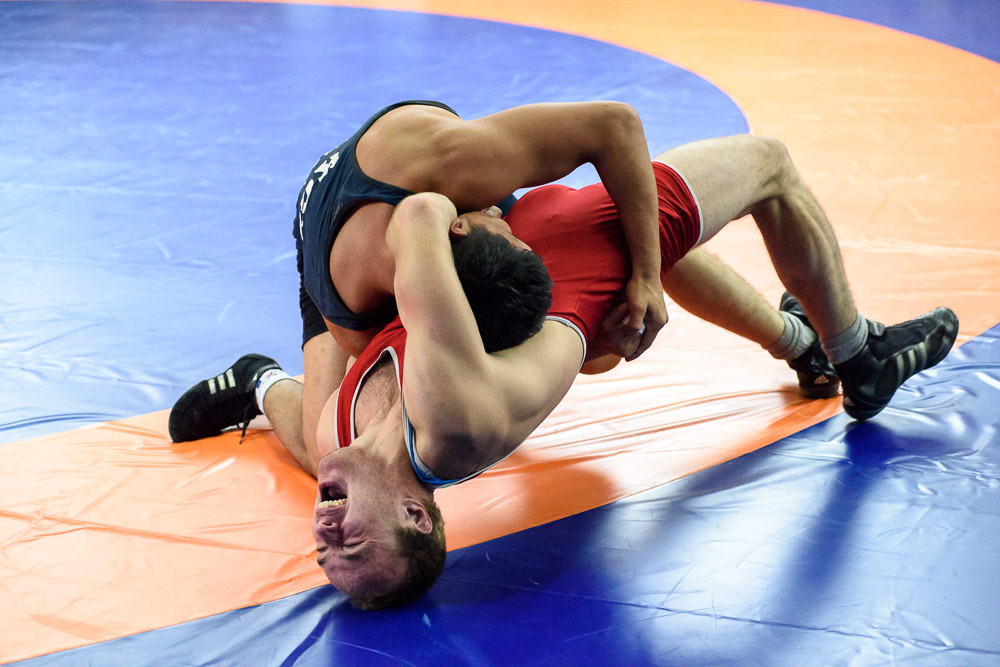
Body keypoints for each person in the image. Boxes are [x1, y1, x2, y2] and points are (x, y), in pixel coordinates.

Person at [171, 131, 957, 608]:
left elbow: (343, 319)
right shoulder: (452, 419)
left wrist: (318, 295)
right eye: (353, 544)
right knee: (767, 168)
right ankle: (856, 354)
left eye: (325, 553)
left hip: (496, 298)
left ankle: (254, 379)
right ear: (415, 514)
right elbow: (419, 217)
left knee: (312, 429)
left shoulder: (338, 435)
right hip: (562, 281)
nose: (325, 532)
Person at [169, 99, 669, 470]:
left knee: (610, 292)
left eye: (510, 235)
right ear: (459, 225)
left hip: (412, 180)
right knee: (329, 453)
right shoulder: (355, 313)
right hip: (329, 240)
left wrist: (646, 278)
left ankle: (633, 275)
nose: (505, 217)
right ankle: (259, 380)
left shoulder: (465, 170)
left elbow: (615, 124)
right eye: (510, 231)